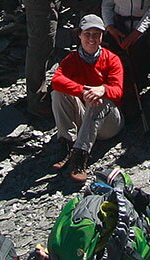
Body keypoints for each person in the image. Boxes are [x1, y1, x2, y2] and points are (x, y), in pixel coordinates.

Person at [50, 14, 124, 181]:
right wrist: (83, 91)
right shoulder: (71, 59)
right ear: (79, 35)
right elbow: (56, 81)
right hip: (87, 115)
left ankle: (80, 155)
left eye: (96, 34)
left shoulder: (112, 59)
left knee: (99, 100)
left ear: (102, 36)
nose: (92, 39)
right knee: (58, 93)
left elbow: (118, 91)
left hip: (110, 123)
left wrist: (103, 90)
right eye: (87, 34)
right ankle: (67, 144)